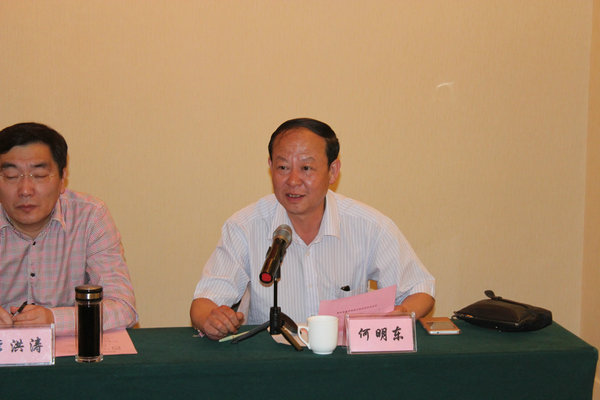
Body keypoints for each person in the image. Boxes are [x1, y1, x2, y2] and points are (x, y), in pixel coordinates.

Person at [190, 118, 435, 340]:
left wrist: (403, 312)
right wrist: (211, 319)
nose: (293, 181)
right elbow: (204, 303)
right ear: (270, 166)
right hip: (270, 363)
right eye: (283, 167)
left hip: (343, 362)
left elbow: (420, 289)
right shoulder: (244, 227)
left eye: (306, 168)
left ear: (333, 171)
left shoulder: (369, 226)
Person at [0, 122, 138, 335]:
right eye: (11, 176)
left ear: (63, 178)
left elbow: (123, 308)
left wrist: (54, 319)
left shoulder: (90, 216)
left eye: (39, 175)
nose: (25, 190)